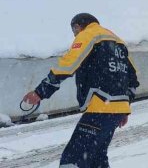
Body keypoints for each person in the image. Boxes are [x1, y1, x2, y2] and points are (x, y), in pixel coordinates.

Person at [22, 13, 139, 167]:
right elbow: (133, 79)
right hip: (115, 111)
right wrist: (123, 107)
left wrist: (40, 92)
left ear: (77, 26)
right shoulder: (118, 41)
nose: (75, 36)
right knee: (97, 158)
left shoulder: (88, 35)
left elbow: (67, 65)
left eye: (74, 32)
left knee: (72, 160)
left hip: (100, 107)